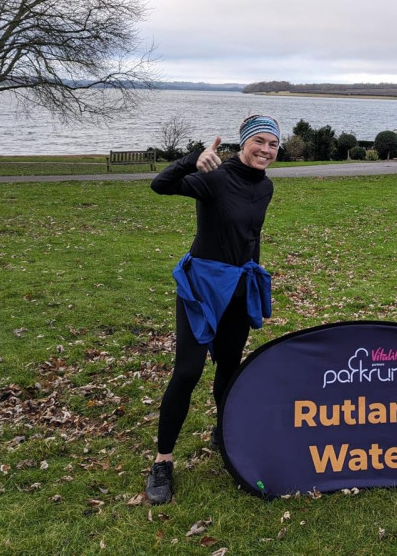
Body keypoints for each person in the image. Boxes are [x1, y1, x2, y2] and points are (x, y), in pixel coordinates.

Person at [144, 115, 280, 504]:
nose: (266, 150)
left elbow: (249, 236)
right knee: (187, 372)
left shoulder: (266, 186)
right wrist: (191, 159)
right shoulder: (216, 176)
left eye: (273, 145)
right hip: (203, 287)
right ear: (243, 142)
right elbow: (161, 186)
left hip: (238, 289)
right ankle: (162, 463)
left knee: (228, 369)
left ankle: (224, 434)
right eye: (260, 142)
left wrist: (253, 275)